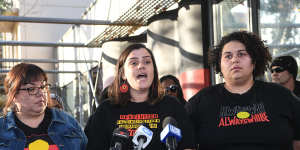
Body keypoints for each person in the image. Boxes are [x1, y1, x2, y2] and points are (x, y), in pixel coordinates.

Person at [185, 31, 300, 150]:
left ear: (254, 61)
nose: (235, 60)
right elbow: (184, 143)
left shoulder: (280, 95)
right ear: (219, 65)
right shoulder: (202, 101)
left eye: (241, 54)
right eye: (228, 56)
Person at [85, 44, 195, 150]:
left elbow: (188, 145)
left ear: (153, 70)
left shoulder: (172, 105)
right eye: (134, 63)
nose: (141, 66)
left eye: (147, 62)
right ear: (123, 73)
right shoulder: (106, 110)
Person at [0, 63, 87, 150]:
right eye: (31, 89)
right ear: (13, 95)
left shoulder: (68, 123)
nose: (41, 93)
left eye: (43, 87)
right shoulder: (2, 129)